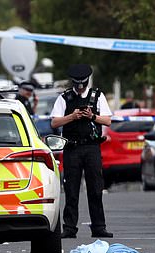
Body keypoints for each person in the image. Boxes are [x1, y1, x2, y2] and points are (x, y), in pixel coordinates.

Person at [50, 64, 114, 238]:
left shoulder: (97, 96)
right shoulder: (64, 98)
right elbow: (54, 123)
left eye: (82, 85)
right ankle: (70, 228)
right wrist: (72, 116)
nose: (80, 89)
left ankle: (99, 226)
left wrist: (91, 116)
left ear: (86, 83)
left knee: (95, 188)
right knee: (71, 189)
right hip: (72, 148)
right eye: (77, 85)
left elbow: (107, 121)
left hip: (92, 147)